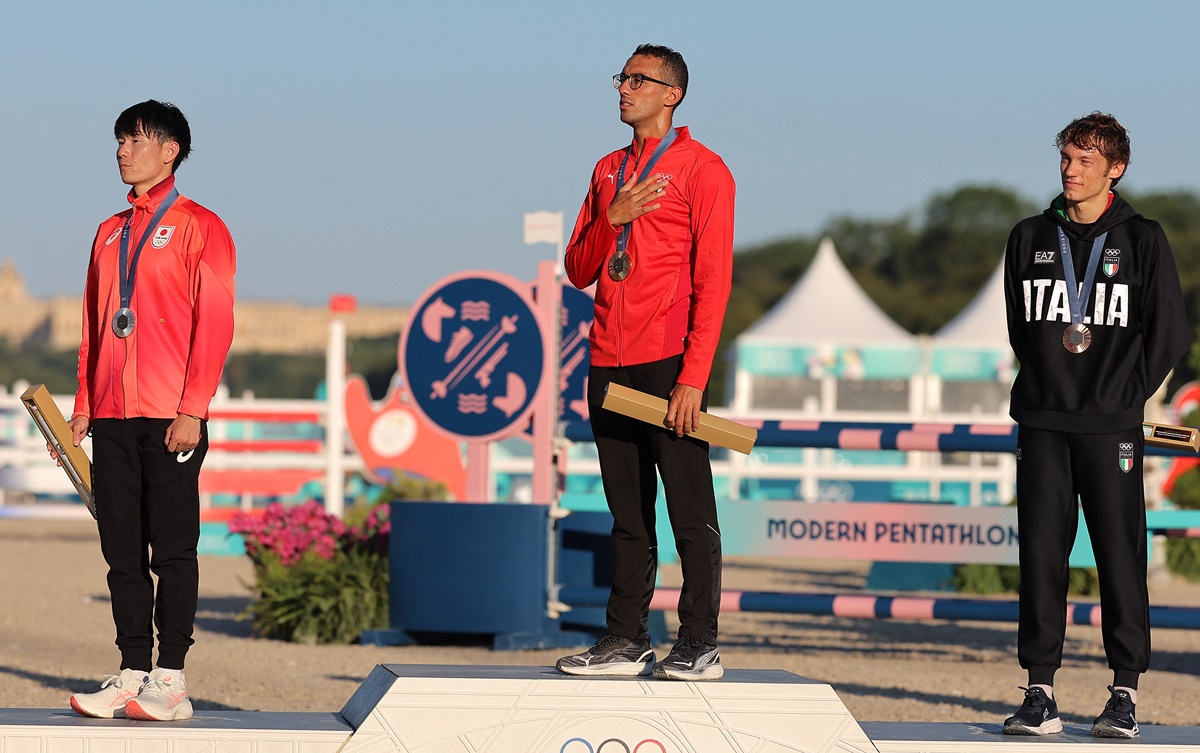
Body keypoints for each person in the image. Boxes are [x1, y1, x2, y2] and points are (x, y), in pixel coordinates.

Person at [1001, 112, 1190, 738]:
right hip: (1043, 421)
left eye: (1085, 161)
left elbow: (1169, 335)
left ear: (1116, 169)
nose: (1070, 170)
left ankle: (1124, 693)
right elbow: (1019, 329)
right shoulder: (1029, 235)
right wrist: (1050, 383)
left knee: (1119, 555)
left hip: (1112, 426)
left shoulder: (1143, 238)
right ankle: (1039, 690)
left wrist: (1122, 398)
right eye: (1065, 157)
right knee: (1042, 555)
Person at [556, 44, 735, 681]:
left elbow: (714, 283)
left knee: (690, 510)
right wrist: (614, 218)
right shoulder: (608, 169)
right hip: (607, 356)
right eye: (622, 77)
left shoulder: (704, 170)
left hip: (669, 361)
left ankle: (700, 641)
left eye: (639, 79)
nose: (623, 89)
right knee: (627, 515)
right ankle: (626, 638)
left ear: (672, 94)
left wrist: (693, 377)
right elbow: (578, 270)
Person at [63, 100, 236, 720]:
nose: (121, 150)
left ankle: (172, 679)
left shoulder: (200, 226)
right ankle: (132, 669)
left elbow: (214, 324)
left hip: (170, 414)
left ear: (171, 150)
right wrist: (84, 401)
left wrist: (194, 408)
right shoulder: (108, 231)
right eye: (117, 140)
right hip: (111, 413)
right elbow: (94, 319)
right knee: (121, 551)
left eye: (135, 140)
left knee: (172, 549)